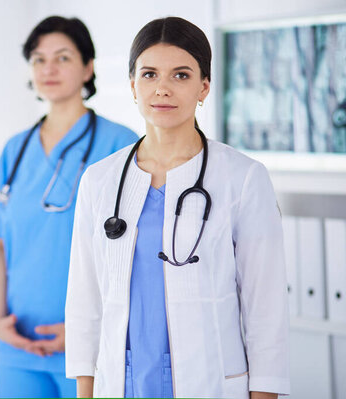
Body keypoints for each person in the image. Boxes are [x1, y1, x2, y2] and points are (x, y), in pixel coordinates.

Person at [65, 17, 290, 399]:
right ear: (133, 86)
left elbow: (265, 307)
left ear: (204, 86)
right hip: (122, 380)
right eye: (149, 74)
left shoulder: (243, 178)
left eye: (181, 76)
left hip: (210, 380)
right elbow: (85, 299)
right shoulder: (100, 180)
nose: (162, 89)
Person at [0, 16, 138, 398]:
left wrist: (88, 327)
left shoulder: (122, 145)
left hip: (92, 343)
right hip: (17, 347)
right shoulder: (15, 150)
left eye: (63, 57)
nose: (48, 68)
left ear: (88, 67)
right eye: (38, 59)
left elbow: (136, 255)